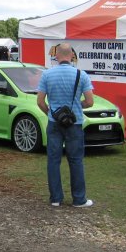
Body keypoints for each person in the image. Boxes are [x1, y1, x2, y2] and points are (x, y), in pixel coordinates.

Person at [36, 43, 94, 208]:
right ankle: (79, 199)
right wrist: (76, 107)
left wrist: (52, 112)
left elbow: (40, 101)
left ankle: (55, 198)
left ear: (56, 56)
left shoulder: (47, 74)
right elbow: (90, 102)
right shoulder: (81, 75)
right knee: (76, 160)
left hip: (54, 123)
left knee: (53, 160)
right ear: (72, 56)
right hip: (74, 123)